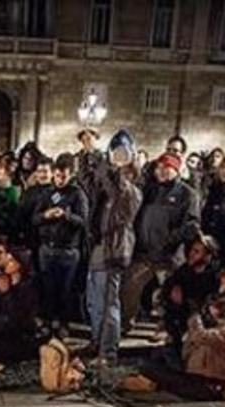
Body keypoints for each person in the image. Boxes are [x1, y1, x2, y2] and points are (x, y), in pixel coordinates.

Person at [85, 130, 142, 365]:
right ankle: (97, 341)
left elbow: (118, 203)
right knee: (94, 300)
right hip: (99, 249)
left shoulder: (132, 192)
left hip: (115, 250)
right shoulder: (106, 189)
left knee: (109, 303)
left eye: (122, 156)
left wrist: (109, 168)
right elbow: (93, 187)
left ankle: (108, 351)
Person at [126, 150, 201, 326]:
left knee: (170, 295)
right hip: (144, 253)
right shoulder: (149, 190)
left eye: (167, 167)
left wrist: (169, 240)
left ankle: (166, 330)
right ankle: (126, 322)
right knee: (130, 289)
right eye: (159, 167)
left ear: (176, 170)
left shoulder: (188, 194)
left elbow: (192, 225)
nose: (162, 170)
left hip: (169, 256)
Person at [119, 296, 225, 400]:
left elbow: (201, 336)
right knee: (157, 354)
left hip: (205, 385)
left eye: (213, 309)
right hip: (192, 374)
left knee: (146, 367)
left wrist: (195, 317)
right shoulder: (217, 327)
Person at [34, 153, 89, 337]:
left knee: (65, 290)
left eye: (63, 176)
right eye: (57, 176)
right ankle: (49, 322)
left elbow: (83, 221)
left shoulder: (77, 194)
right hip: (47, 249)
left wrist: (65, 215)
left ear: (70, 175)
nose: (59, 180)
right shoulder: (47, 193)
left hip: (68, 251)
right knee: (48, 288)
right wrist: (45, 216)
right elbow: (35, 218)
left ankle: (64, 323)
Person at [160, 232, 221, 345]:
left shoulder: (214, 277)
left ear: (207, 256)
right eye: (192, 250)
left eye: (197, 252)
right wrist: (174, 287)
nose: (191, 254)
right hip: (183, 316)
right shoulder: (185, 270)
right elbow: (169, 284)